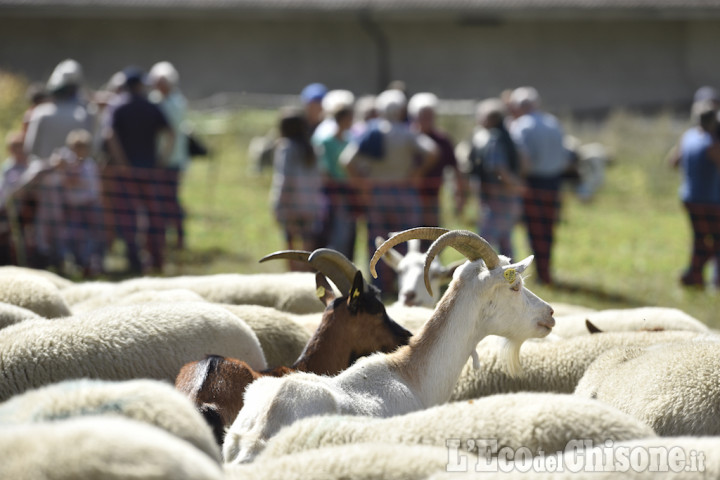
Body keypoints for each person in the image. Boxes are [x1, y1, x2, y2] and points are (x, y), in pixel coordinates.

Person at [341, 88, 438, 293]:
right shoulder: (407, 133)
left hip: (377, 193)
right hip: (404, 193)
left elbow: (346, 161)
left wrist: (361, 184)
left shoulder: (370, 132)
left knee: (377, 242)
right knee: (406, 240)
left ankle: (378, 287)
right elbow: (432, 151)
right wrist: (416, 174)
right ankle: (404, 284)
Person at [23, 59, 94, 269]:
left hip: (47, 179)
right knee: (70, 224)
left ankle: (49, 258)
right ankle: (71, 259)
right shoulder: (84, 114)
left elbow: (31, 150)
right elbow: (93, 148)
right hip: (74, 181)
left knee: (47, 222)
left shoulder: (41, 113)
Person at [106, 66, 174, 275]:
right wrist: (162, 160)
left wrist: (122, 162)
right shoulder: (151, 106)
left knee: (128, 215)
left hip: (126, 173)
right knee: (154, 215)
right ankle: (156, 259)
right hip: (150, 171)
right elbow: (171, 133)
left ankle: (135, 259)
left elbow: (110, 135)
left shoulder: (117, 107)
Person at [509, 87, 569, 285]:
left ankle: (541, 273)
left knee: (534, 228)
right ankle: (546, 271)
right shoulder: (553, 123)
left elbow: (523, 159)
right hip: (554, 182)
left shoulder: (521, 126)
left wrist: (519, 181)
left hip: (533, 183)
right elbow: (565, 155)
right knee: (548, 228)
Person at [269, 107, 325, 270]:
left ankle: (293, 277)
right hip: (310, 205)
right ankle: (308, 277)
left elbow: (285, 178)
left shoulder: (286, 148)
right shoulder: (312, 148)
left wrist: (279, 203)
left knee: (290, 246)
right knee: (308, 245)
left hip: (291, 205)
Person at [469, 98, 525, 259]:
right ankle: (510, 279)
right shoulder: (509, 135)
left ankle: (479, 277)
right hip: (507, 197)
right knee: (505, 239)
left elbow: (499, 169)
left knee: (483, 243)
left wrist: (514, 184)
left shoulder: (493, 138)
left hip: (497, 197)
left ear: (491, 119)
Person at [674, 99, 720, 287]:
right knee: (715, 242)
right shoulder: (712, 143)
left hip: (689, 197)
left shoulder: (688, 136)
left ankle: (694, 277)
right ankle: (697, 276)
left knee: (700, 240)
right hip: (710, 201)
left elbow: (673, 161)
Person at [407, 92, 467, 234]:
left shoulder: (442, 140)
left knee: (432, 234)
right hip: (410, 195)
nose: (427, 120)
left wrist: (459, 194)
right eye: (423, 116)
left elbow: (455, 167)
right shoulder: (408, 138)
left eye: (430, 116)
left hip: (433, 195)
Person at [148, 61, 190, 250]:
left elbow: (169, 133)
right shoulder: (157, 100)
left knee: (170, 200)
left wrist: (163, 159)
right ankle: (165, 238)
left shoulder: (175, 103)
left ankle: (178, 238)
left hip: (171, 160)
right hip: (162, 159)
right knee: (163, 201)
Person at [57, 129, 104, 277]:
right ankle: (79, 263)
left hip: (90, 206)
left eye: (82, 147)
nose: (79, 150)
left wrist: (65, 170)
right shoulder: (69, 164)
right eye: (76, 147)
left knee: (93, 236)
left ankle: (93, 265)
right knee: (74, 236)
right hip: (74, 207)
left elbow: (76, 182)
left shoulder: (89, 166)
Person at [315, 101, 357, 259]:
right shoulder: (326, 142)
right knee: (335, 232)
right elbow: (324, 170)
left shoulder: (350, 140)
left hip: (348, 192)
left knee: (346, 232)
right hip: (333, 192)